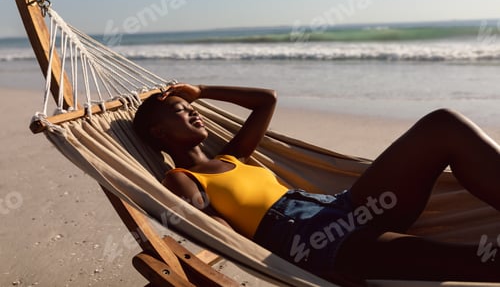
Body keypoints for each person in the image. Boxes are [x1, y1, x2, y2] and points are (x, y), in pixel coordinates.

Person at [133, 83, 500, 283]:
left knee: (442, 125)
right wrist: (288, 269)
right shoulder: (181, 179)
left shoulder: (232, 156)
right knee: (475, 260)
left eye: (190, 107)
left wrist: (201, 90)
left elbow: (266, 100)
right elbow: (217, 230)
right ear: (159, 132)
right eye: (182, 111)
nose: (193, 111)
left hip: (346, 206)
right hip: (314, 241)